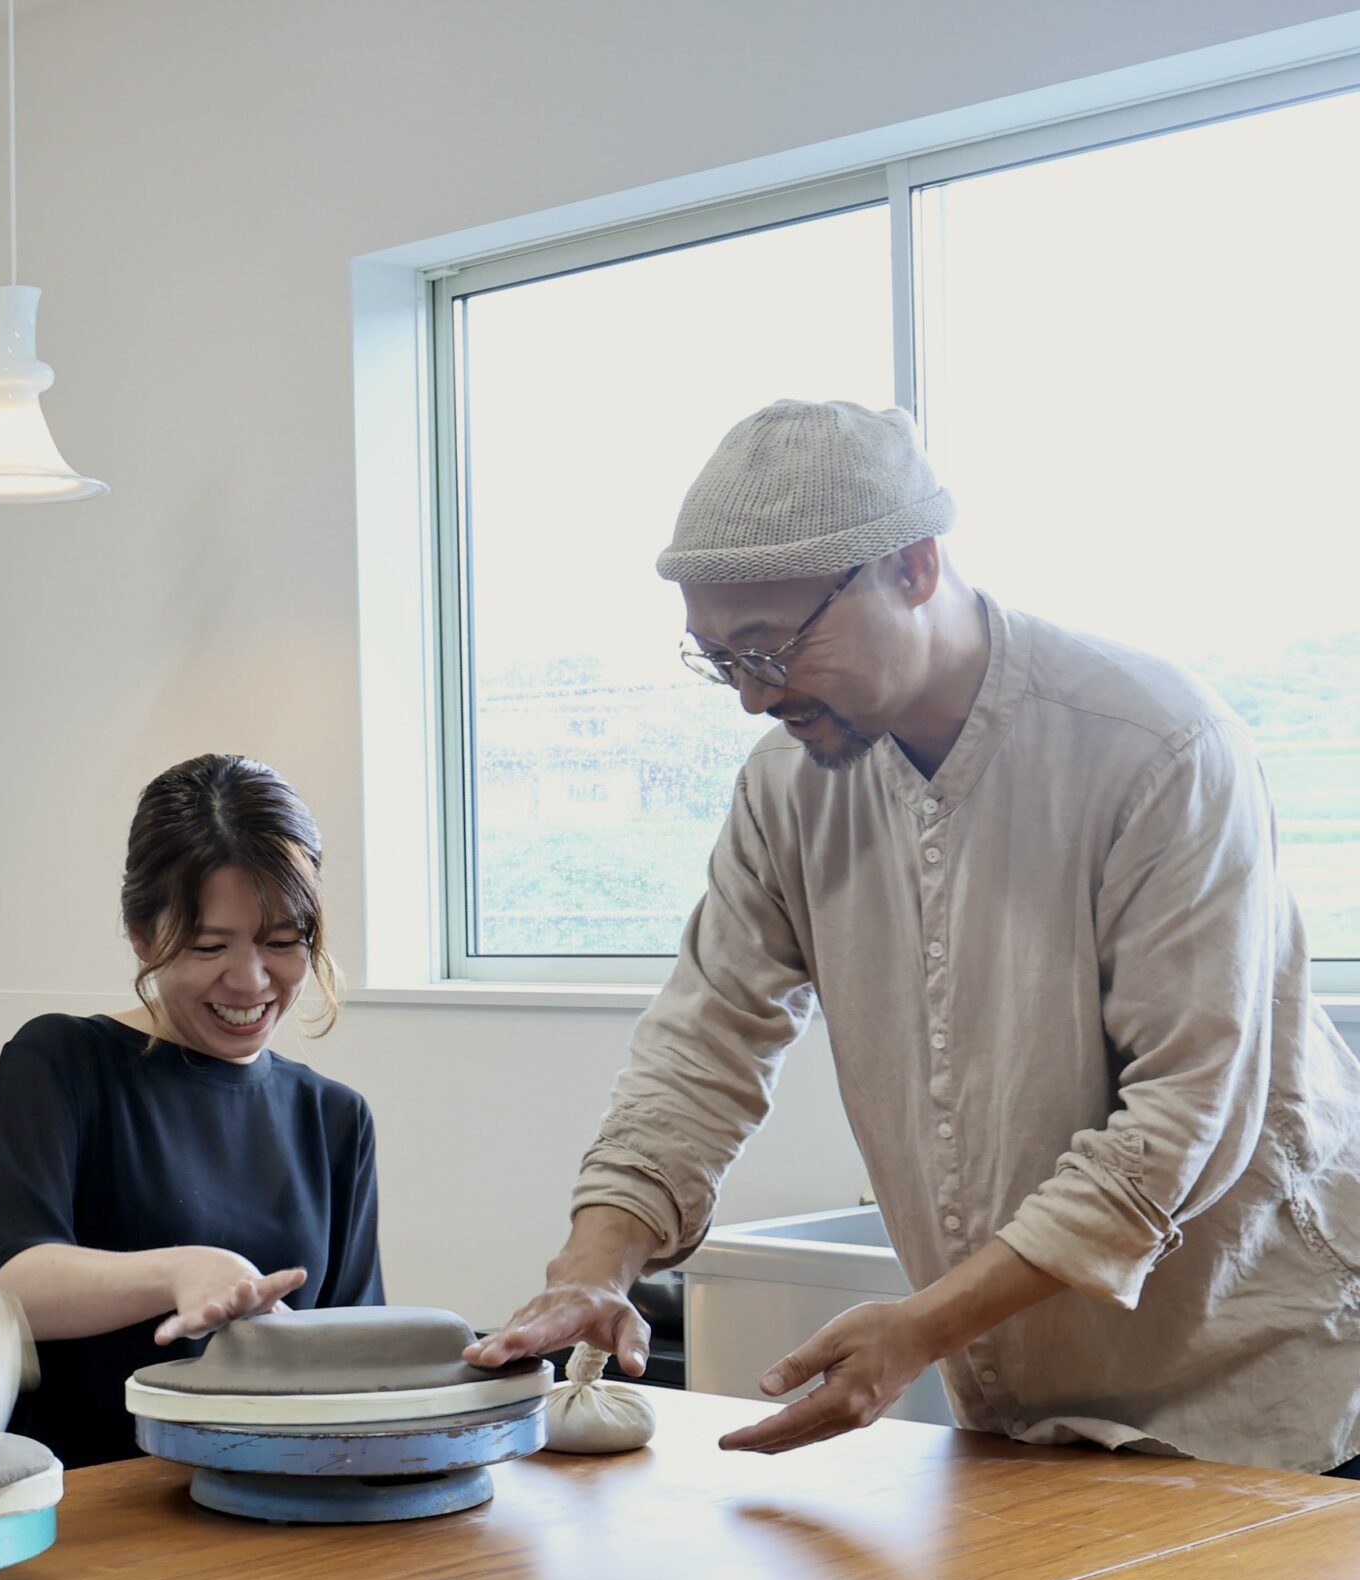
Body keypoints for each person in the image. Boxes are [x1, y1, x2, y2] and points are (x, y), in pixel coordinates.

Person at [472, 399, 1360, 1473]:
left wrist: (921, 1328)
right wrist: (595, 1263)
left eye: (771, 648)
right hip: (1021, 1410)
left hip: (1261, 1388)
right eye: (719, 659)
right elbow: (702, 1047)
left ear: (914, 566)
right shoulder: (787, 787)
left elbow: (1185, 1114)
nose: (752, 697)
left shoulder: (1156, 747)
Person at [0, 754, 384, 1467]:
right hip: (96, 1495)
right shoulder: (62, 1062)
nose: (251, 980)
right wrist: (181, 1272)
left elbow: (361, 1353)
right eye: (209, 945)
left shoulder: (334, 1119)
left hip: (281, 1490)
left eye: (283, 941)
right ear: (142, 935)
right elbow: (9, 1285)